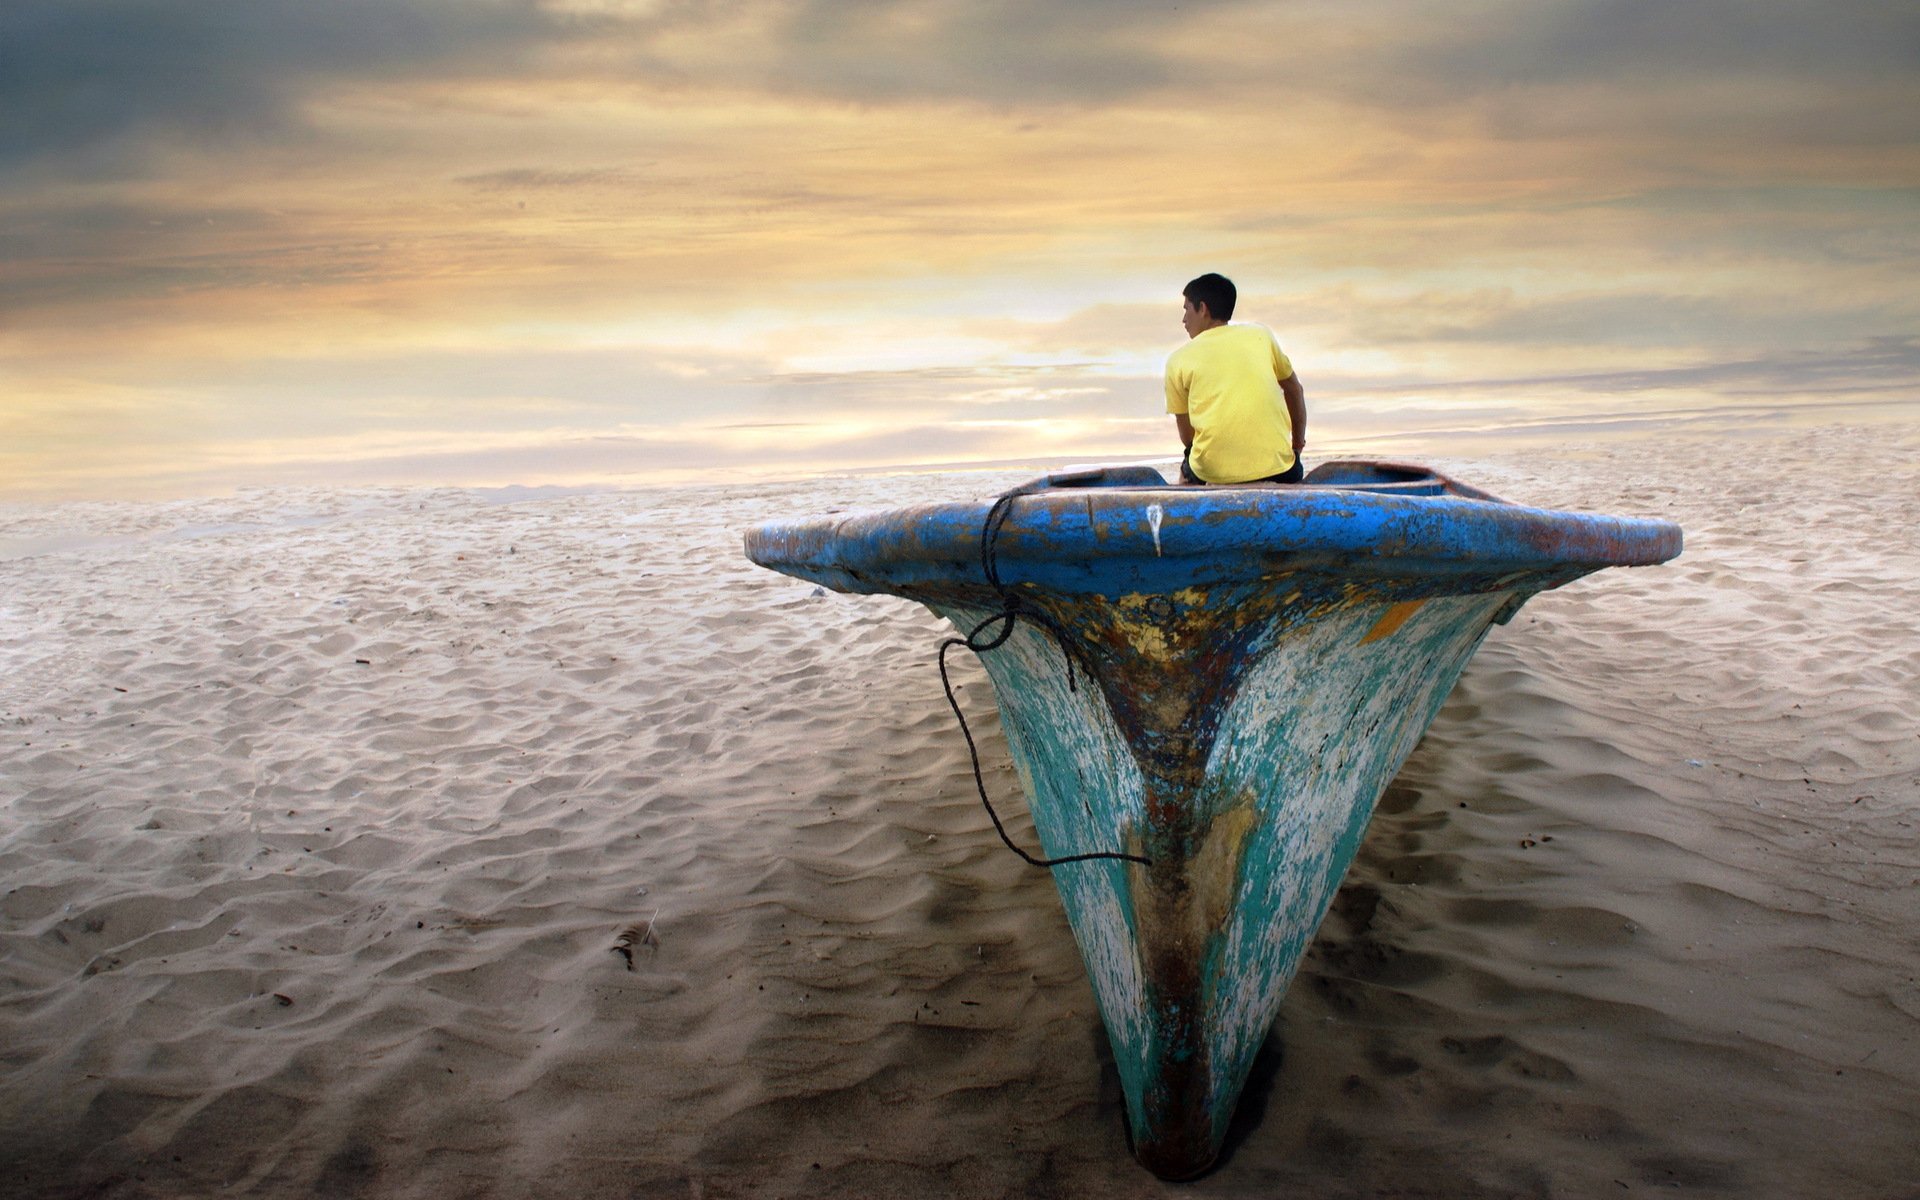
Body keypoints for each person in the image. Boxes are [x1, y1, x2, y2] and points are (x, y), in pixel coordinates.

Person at [1164, 273, 1307, 485]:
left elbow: (1188, 438)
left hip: (1212, 475)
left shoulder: (1177, 361)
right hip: (1280, 471)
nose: (1184, 319)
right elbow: (1294, 390)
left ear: (1202, 309)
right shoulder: (1261, 336)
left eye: (1186, 309)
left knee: (1188, 463)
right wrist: (1296, 446)